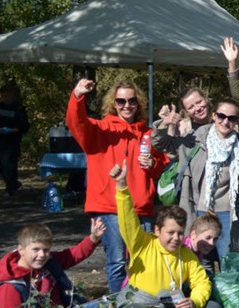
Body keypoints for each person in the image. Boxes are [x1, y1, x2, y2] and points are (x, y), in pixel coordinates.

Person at [65, 78, 164, 293]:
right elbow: (76, 122)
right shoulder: (99, 130)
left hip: (141, 208)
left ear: (138, 103)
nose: (126, 105)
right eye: (121, 101)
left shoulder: (147, 134)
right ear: (113, 103)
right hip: (109, 207)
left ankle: (143, 305)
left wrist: (153, 163)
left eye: (131, 101)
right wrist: (78, 96)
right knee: (117, 261)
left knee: (145, 260)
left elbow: (161, 168)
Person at [107, 164, 212, 308]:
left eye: (180, 233)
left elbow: (202, 282)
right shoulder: (142, 244)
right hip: (143, 306)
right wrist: (122, 187)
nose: (176, 238)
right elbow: (128, 221)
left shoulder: (186, 255)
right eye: (170, 233)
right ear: (157, 230)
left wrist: (194, 301)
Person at [177, 99, 239, 260]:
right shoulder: (196, 140)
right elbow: (163, 144)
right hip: (201, 209)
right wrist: (166, 124)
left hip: (227, 212)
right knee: (200, 261)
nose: (225, 121)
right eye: (221, 116)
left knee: (227, 261)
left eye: (232, 118)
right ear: (214, 115)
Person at [0, 80, 30, 195]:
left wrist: (12, 130)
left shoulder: (19, 109)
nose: (4, 99)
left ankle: (11, 188)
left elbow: (24, 126)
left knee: (9, 165)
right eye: (2, 96)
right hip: (1, 140)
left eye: (6, 96)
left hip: (13, 141)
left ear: (12, 96)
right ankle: (14, 184)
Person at [152, 88, 212, 157]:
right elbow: (161, 144)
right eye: (191, 107)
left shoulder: (223, 121)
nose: (198, 108)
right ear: (186, 111)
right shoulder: (183, 132)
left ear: (206, 99)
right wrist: (164, 123)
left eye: (199, 102)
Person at [186, 214, 224, 283]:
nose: (211, 243)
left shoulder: (199, 251)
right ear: (193, 234)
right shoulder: (183, 249)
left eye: (215, 239)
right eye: (208, 238)